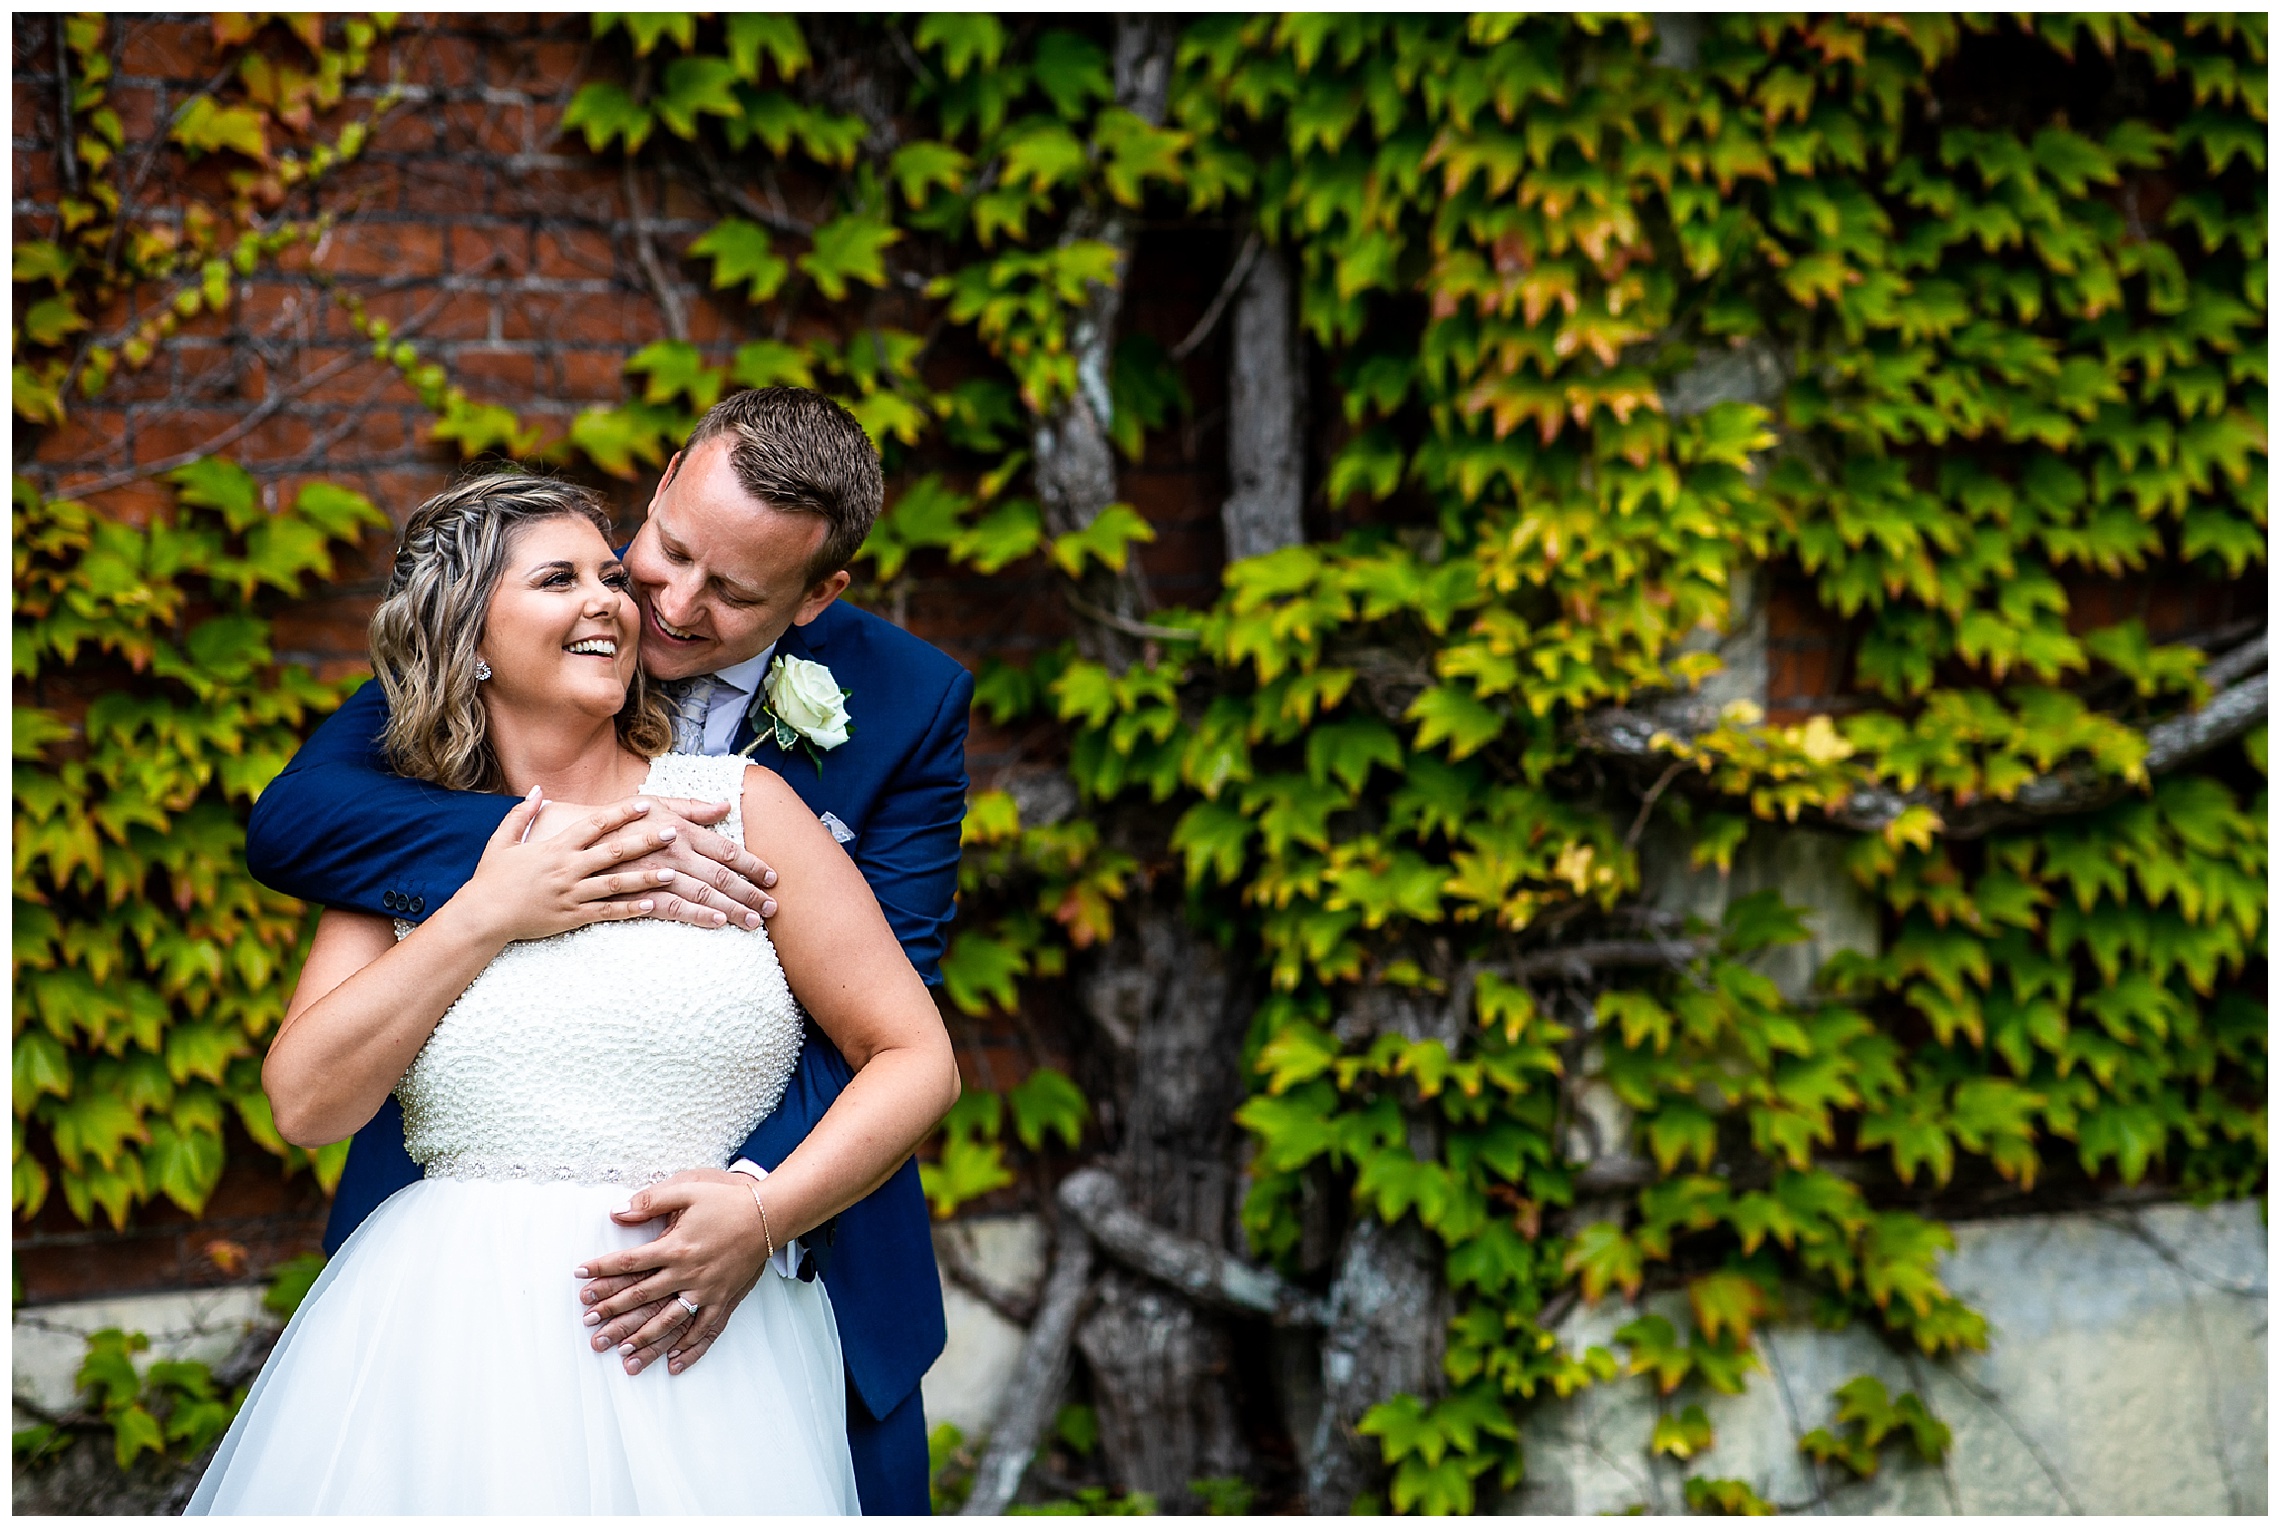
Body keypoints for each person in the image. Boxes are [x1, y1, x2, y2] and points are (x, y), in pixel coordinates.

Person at [239, 388, 971, 1511]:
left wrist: (754, 1210)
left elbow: (891, 1024)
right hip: (455, 1319)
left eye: (730, 591)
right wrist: (524, 872)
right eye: (661, 555)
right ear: (668, 476)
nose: (660, 604)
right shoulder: (416, 796)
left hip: (756, 1295)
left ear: (819, 594)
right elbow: (294, 828)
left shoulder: (873, 726)